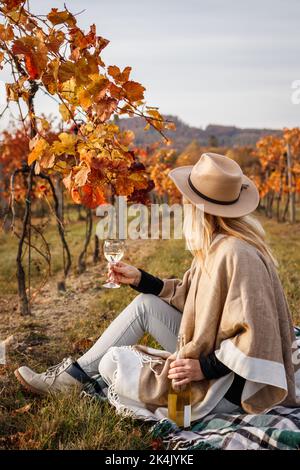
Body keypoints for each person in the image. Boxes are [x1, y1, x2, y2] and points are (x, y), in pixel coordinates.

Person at [15, 153, 300, 420]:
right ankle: (73, 377)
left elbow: (259, 335)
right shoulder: (219, 246)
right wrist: (140, 279)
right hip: (218, 362)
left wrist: (203, 368)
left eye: (186, 200)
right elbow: (193, 296)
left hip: (233, 387)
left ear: (197, 208)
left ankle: (73, 379)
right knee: (144, 307)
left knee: (114, 366)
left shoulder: (235, 253)